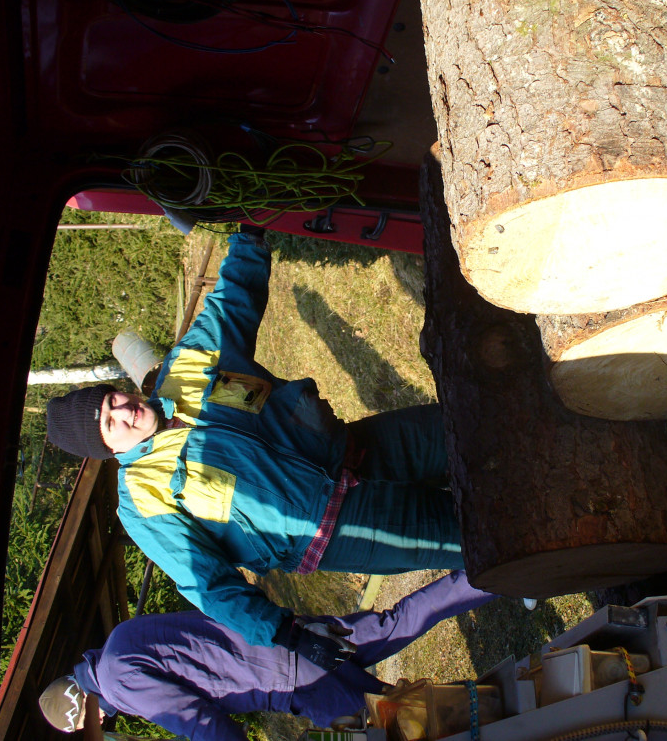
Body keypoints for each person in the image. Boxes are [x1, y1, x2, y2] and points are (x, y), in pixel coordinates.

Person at [46, 228, 464, 669]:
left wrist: (249, 235)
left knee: (469, 431)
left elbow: (231, 306)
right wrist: (285, 632)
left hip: (363, 447)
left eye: (113, 400)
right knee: (470, 533)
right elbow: (205, 582)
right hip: (340, 527)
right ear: (108, 449)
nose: (124, 412)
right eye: (109, 423)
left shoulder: (183, 369)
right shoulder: (141, 499)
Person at [38, 571, 497, 740]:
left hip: (293, 680)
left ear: (82, 710)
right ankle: (499, 573)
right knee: (400, 621)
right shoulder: (120, 640)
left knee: (398, 726)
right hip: (293, 636)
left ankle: (506, 712)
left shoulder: (119, 683)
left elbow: (200, 722)